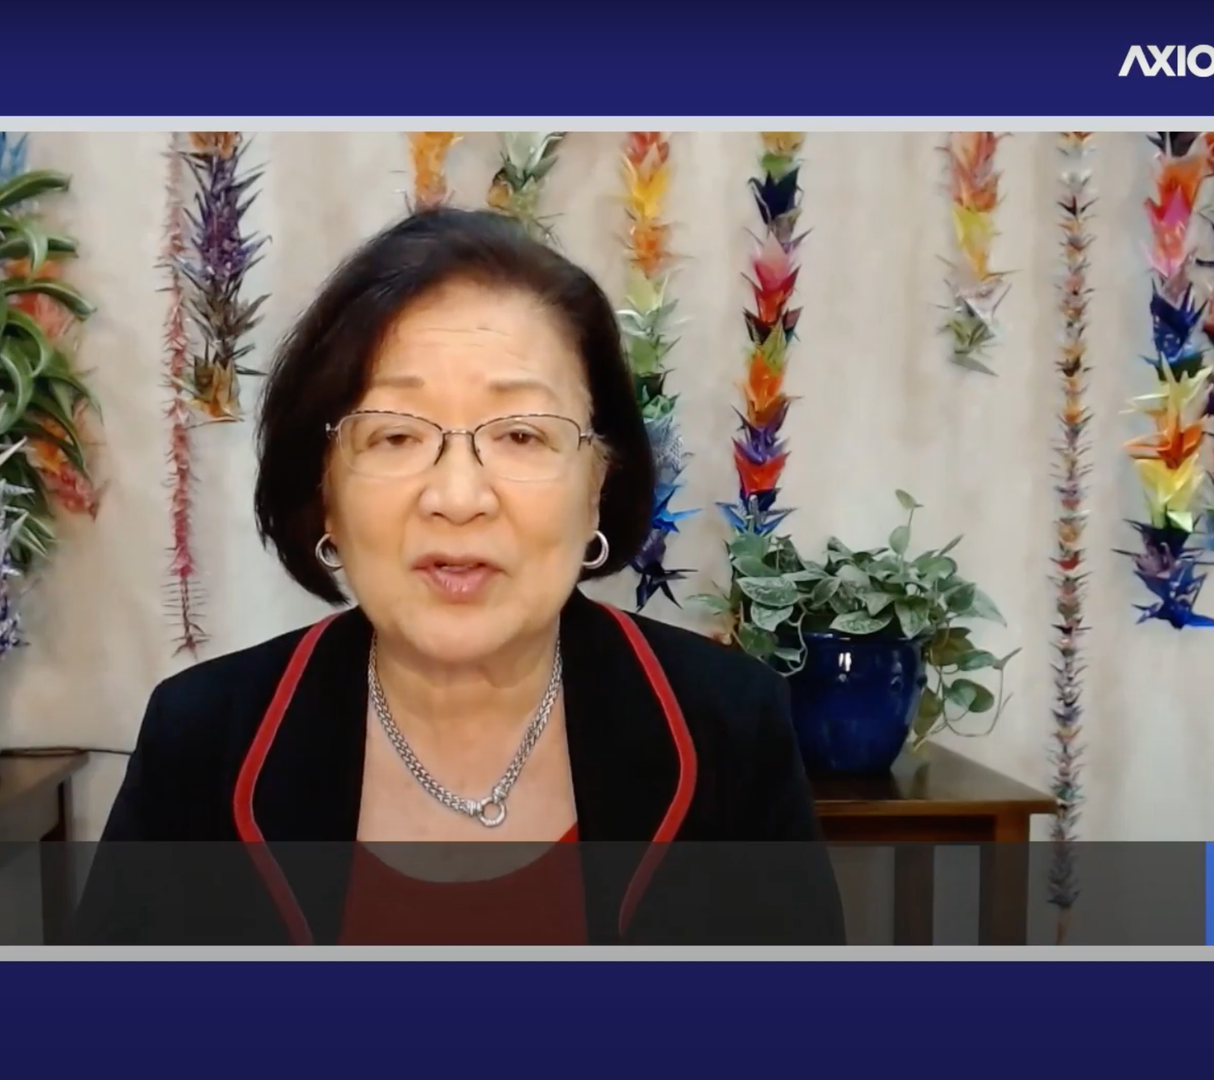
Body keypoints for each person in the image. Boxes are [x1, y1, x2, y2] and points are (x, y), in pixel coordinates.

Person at [77, 208, 845, 947]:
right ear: (326, 499)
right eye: (395, 435)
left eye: (520, 434)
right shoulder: (205, 743)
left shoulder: (730, 733)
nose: (457, 498)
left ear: (596, 488)